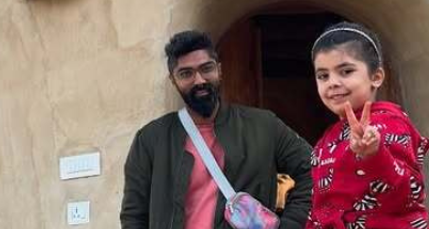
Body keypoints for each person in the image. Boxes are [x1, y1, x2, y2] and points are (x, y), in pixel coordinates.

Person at [121, 30, 314, 229]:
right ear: (173, 80)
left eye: (206, 68)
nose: (199, 80)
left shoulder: (263, 125)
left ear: (219, 70)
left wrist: (290, 224)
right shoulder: (151, 139)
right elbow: (133, 216)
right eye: (186, 73)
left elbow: (315, 169)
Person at [306, 23, 429, 229]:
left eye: (346, 71)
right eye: (323, 76)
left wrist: (375, 155)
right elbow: (320, 209)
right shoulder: (328, 138)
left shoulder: (389, 124)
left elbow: (408, 193)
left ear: (376, 77)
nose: (332, 82)